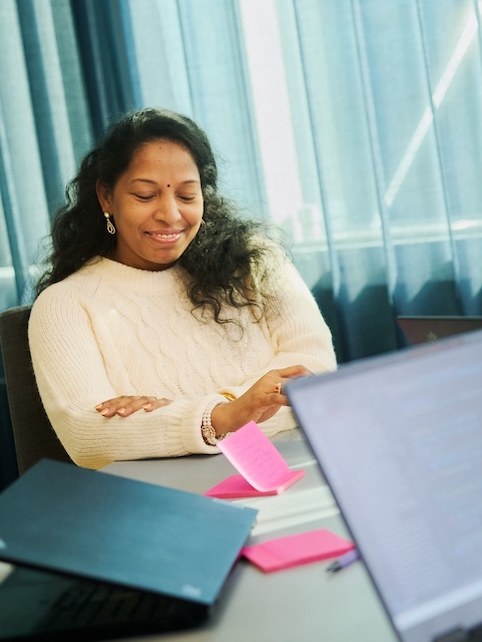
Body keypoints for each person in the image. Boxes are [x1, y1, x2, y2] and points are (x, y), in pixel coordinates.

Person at [29, 108, 336, 469]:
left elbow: (315, 375)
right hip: (173, 505)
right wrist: (221, 415)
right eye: (145, 195)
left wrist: (191, 415)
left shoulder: (255, 261)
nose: (171, 215)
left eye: (188, 196)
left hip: (300, 471)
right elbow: (89, 437)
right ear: (106, 197)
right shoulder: (65, 305)